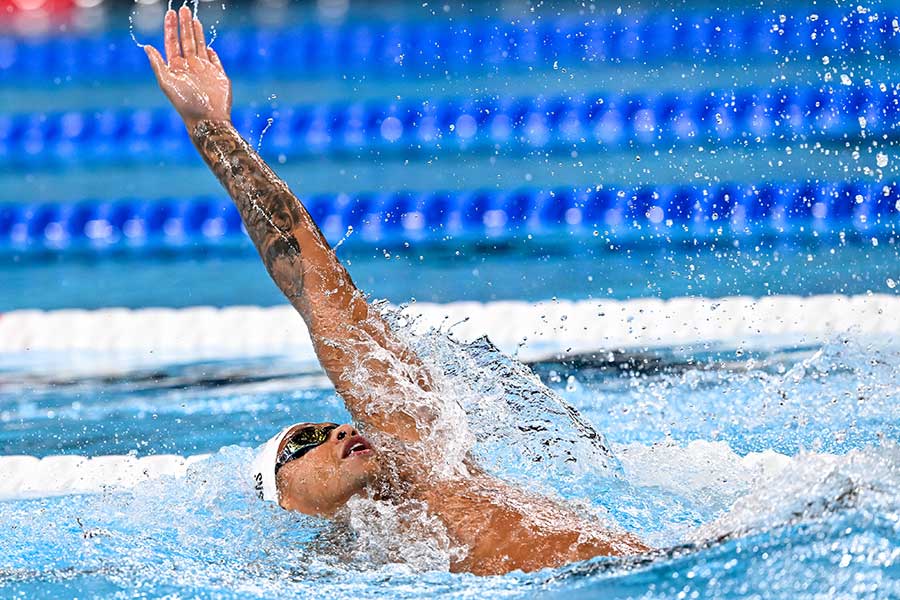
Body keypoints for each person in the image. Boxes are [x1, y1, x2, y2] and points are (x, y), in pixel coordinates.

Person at [145, 7, 649, 575]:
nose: (338, 428)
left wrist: (210, 129)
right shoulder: (345, 567)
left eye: (326, 425)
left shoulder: (424, 456)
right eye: (304, 440)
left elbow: (316, 281)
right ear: (286, 500)